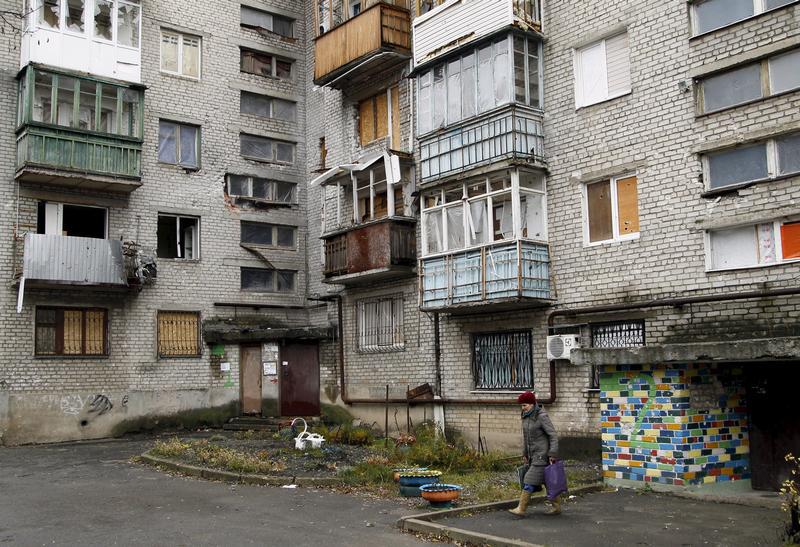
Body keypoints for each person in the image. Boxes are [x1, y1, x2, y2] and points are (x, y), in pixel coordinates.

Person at [509, 390, 561, 516]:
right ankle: (557, 507)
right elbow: (526, 438)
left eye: (525, 405)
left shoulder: (541, 416)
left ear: (532, 404)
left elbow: (553, 435)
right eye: (521, 405)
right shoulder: (526, 417)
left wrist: (552, 453)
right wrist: (525, 454)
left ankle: (521, 508)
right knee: (548, 481)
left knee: (528, 480)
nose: (523, 408)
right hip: (533, 455)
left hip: (542, 456)